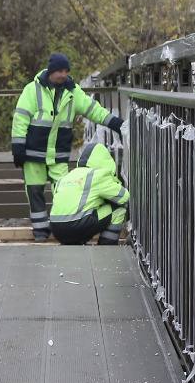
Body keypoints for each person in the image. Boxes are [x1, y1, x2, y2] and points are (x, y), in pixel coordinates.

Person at [11, 53, 122, 242]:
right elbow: (20, 118)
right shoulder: (32, 90)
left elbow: (93, 109)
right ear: (51, 71)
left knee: (65, 191)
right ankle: (40, 231)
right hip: (33, 153)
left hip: (58, 155)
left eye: (66, 71)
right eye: (60, 71)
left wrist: (116, 123)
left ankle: (62, 228)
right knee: (35, 192)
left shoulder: (73, 92)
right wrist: (18, 145)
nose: (63, 75)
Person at [49, 141, 129, 245]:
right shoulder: (98, 175)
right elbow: (124, 197)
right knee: (118, 209)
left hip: (56, 228)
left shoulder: (67, 176)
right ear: (105, 160)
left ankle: (75, 242)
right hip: (78, 225)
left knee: (87, 210)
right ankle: (107, 245)